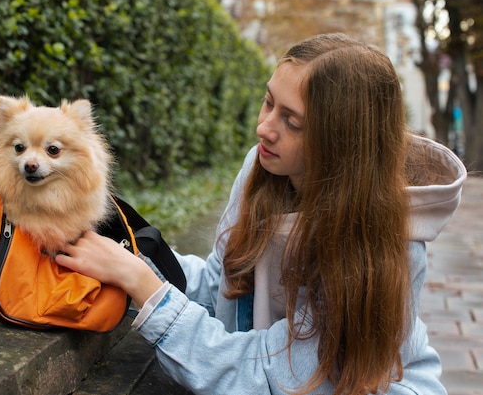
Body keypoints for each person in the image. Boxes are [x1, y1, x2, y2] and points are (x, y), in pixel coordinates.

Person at [55, 33, 467, 394]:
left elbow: (278, 380)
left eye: (292, 121)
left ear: (341, 142)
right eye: (269, 102)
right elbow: (222, 285)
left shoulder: (385, 238)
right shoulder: (266, 169)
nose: (265, 128)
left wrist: (143, 286)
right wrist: (130, 255)